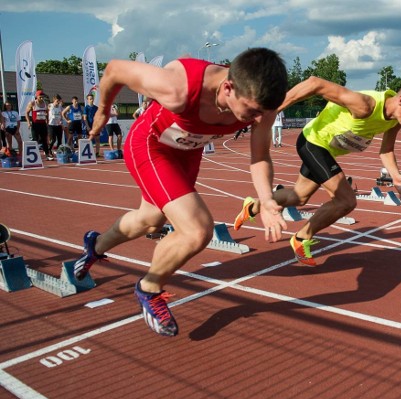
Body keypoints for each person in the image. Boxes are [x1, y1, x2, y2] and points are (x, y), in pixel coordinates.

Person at [72, 47, 288, 337]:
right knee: (197, 230)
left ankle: (95, 246)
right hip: (151, 146)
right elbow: (113, 70)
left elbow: (260, 156)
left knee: (150, 219)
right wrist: (103, 109)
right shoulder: (179, 87)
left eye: (262, 112)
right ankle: (148, 287)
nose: (257, 118)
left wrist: (267, 200)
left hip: (187, 152)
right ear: (227, 87)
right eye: (250, 110)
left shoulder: (262, 103)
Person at [233, 76, 401, 266]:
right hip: (313, 143)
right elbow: (315, 83)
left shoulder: (395, 120)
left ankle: (253, 206)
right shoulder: (365, 105)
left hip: (327, 151)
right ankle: (302, 238)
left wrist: (396, 176)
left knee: (299, 197)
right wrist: (275, 109)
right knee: (346, 200)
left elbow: (386, 149)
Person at [25, 90, 52, 160]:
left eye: (42, 96)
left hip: (43, 124)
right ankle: (35, 156)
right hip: (35, 124)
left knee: (44, 140)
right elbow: (26, 113)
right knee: (35, 140)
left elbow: (47, 113)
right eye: (40, 96)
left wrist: (47, 120)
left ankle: (47, 154)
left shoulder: (45, 103)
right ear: (36, 96)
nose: (42, 98)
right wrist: (28, 122)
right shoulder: (32, 103)